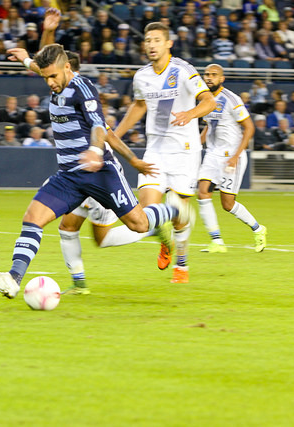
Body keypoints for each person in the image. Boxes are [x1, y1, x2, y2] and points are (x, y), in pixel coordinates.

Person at [0, 43, 193, 297]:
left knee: (138, 223)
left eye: (53, 77)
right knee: (32, 217)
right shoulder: (55, 76)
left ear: (67, 68)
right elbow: (43, 67)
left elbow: (99, 127)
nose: (49, 83)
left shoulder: (83, 89)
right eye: (46, 77)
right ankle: (13, 278)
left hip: (100, 173)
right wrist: (26, 59)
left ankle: (174, 210)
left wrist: (95, 150)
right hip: (69, 175)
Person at [113, 22, 217, 284]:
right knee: (148, 211)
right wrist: (115, 135)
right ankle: (164, 239)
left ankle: (181, 264)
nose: (151, 44)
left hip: (184, 152)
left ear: (168, 43)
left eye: (157, 40)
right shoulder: (142, 76)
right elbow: (139, 106)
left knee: (180, 215)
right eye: (148, 40)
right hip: (155, 151)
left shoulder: (183, 70)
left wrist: (189, 114)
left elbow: (209, 101)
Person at [197, 64, 266, 254]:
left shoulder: (231, 99)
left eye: (213, 75)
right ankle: (217, 241)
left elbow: (249, 127)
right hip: (212, 154)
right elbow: (209, 126)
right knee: (202, 192)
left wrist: (236, 156)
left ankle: (258, 229)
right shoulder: (204, 99)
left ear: (222, 78)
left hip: (231, 156)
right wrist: (197, 144)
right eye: (207, 74)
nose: (209, 77)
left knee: (227, 204)